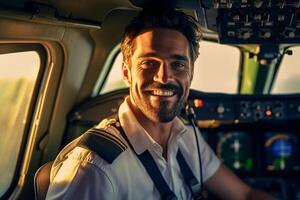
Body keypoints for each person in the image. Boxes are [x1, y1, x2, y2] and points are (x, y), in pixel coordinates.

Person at [45, 8, 276, 200]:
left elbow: (245, 195)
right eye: (149, 63)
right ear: (127, 72)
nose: (164, 77)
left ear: (191, 74)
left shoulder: (186, 137)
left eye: (178, 64)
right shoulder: (94, 168)